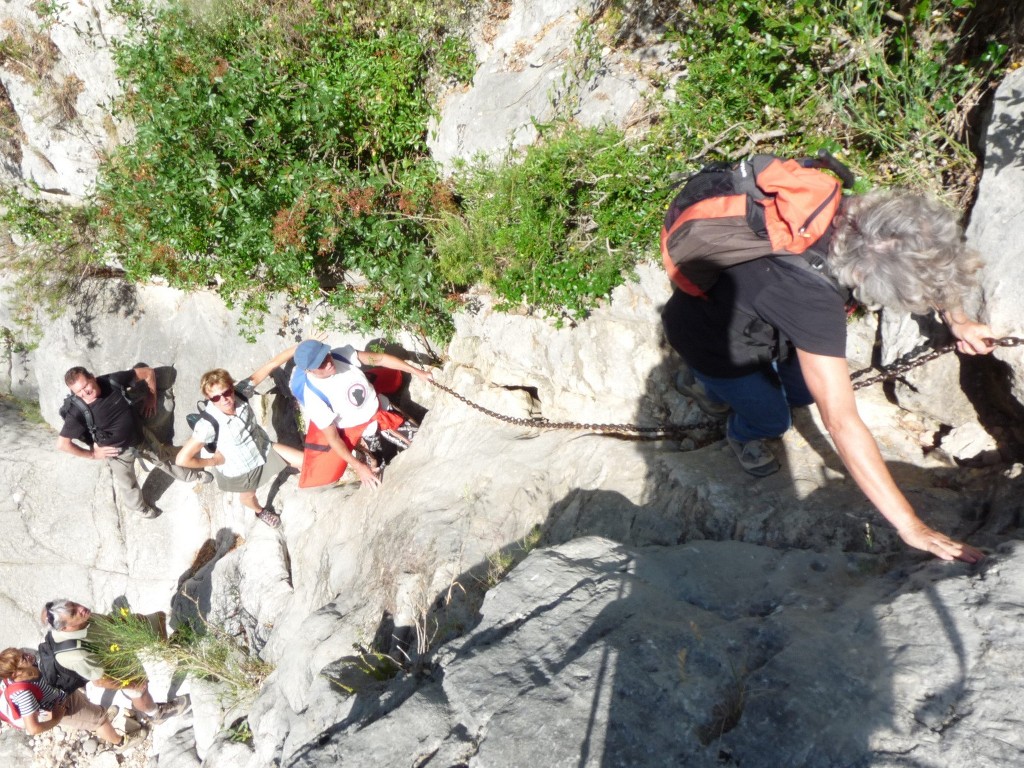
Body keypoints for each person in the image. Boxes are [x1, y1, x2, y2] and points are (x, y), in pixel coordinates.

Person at [662, 189, 995, 563]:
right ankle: (733, 420)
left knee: (803, 393)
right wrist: (911, 526)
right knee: (772, 418)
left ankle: (728, 392)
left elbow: (927, 259)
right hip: (711, 342)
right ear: (865, 275)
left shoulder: (850, 214)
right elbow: (841, 423)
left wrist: (960, 322)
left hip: (767, 326)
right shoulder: (811, 300)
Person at [56, 365, 211, 518]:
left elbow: (148, 372)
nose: (85, 393)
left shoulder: (111, 381)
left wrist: (152, 396)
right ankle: (139, 508)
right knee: (128, 483)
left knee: (164, 458)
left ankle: (192, 476)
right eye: (78, 392)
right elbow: (63, 444)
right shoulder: (77, 411)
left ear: (92, 377)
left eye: (85, 386)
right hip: (117, 453)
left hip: (140, 436)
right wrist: (92, 455)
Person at [175, 345, 305, 528]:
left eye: (227, 392)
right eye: (215, 398)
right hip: (241, 468)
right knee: (248, 496)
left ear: (232, 388)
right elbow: (182, 459)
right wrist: (214, 462)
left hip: (262, 449)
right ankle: (261, 512)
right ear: (209, 398)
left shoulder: (242, 393)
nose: (224, 399)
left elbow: (272, 364)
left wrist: (303, 344)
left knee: (305, 461)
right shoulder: (208, 424)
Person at [290, 339, 432, 488]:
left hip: (384, 411)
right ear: (308, 371)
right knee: (380, 472)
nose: (328, 363)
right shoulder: (314, 398)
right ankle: (370, 459)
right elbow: (333, 438)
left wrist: (417, 372)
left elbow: (381, 359)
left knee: (423, 442)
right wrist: (359, 467)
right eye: (321, 364)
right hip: (364, 434)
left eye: (326, 355)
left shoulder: (342, 355)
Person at [40, 600, 189, 723]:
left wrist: (129, 623)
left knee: (156, 619)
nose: (81, 608)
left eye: (73, 604)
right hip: (114, 666)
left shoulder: (83, 616)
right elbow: (100, 681)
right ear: (65, 628)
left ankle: (170, 649)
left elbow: (107, 622)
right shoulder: (76, 654)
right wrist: (130, 684)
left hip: (114, 641)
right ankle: (156, 713)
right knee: (139, 691)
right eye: (73, 612)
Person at [0, 647, 143, 751]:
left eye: (23, 653)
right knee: (99, 721)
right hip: (64, 708)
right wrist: (55, 719)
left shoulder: (30, 667)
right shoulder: (24, 694)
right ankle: (121, 742)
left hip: (62, 693)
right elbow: (33, 729)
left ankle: (98, 718)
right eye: (23, 658)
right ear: (15, 674)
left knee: (92, 709)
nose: (28, 655)